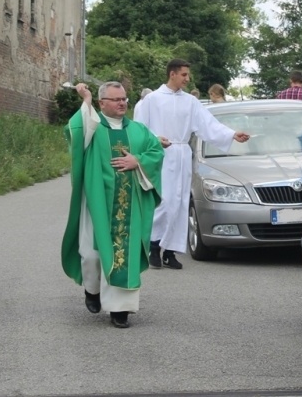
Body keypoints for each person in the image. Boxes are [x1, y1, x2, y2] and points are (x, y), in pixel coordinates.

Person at [61, 81, 164, 329]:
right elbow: (75, 130)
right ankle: (92, 290)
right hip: (95, 203)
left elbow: (156, 151)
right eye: (116, 99)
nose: (122, 103)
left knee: (123, 254)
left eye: (124, 99)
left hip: (129, 207)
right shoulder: (94, 128)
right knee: (91, 255)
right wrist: (84, 99)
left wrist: (137, 160)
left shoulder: (139, 130)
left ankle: (120, 309)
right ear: (101, 103)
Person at [134, 59, 250, 270]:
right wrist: (154, 139)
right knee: (165, 201)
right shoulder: (151, 100)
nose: (188, 79)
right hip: (160, 155)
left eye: (188, 75)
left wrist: (232, 134)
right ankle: (153, 245)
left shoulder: (190, 101)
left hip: (181, 154)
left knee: (179, 203)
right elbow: (139, 128)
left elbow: (208, 124)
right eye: (184, 75)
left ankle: (170, 251)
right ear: (172, 74)